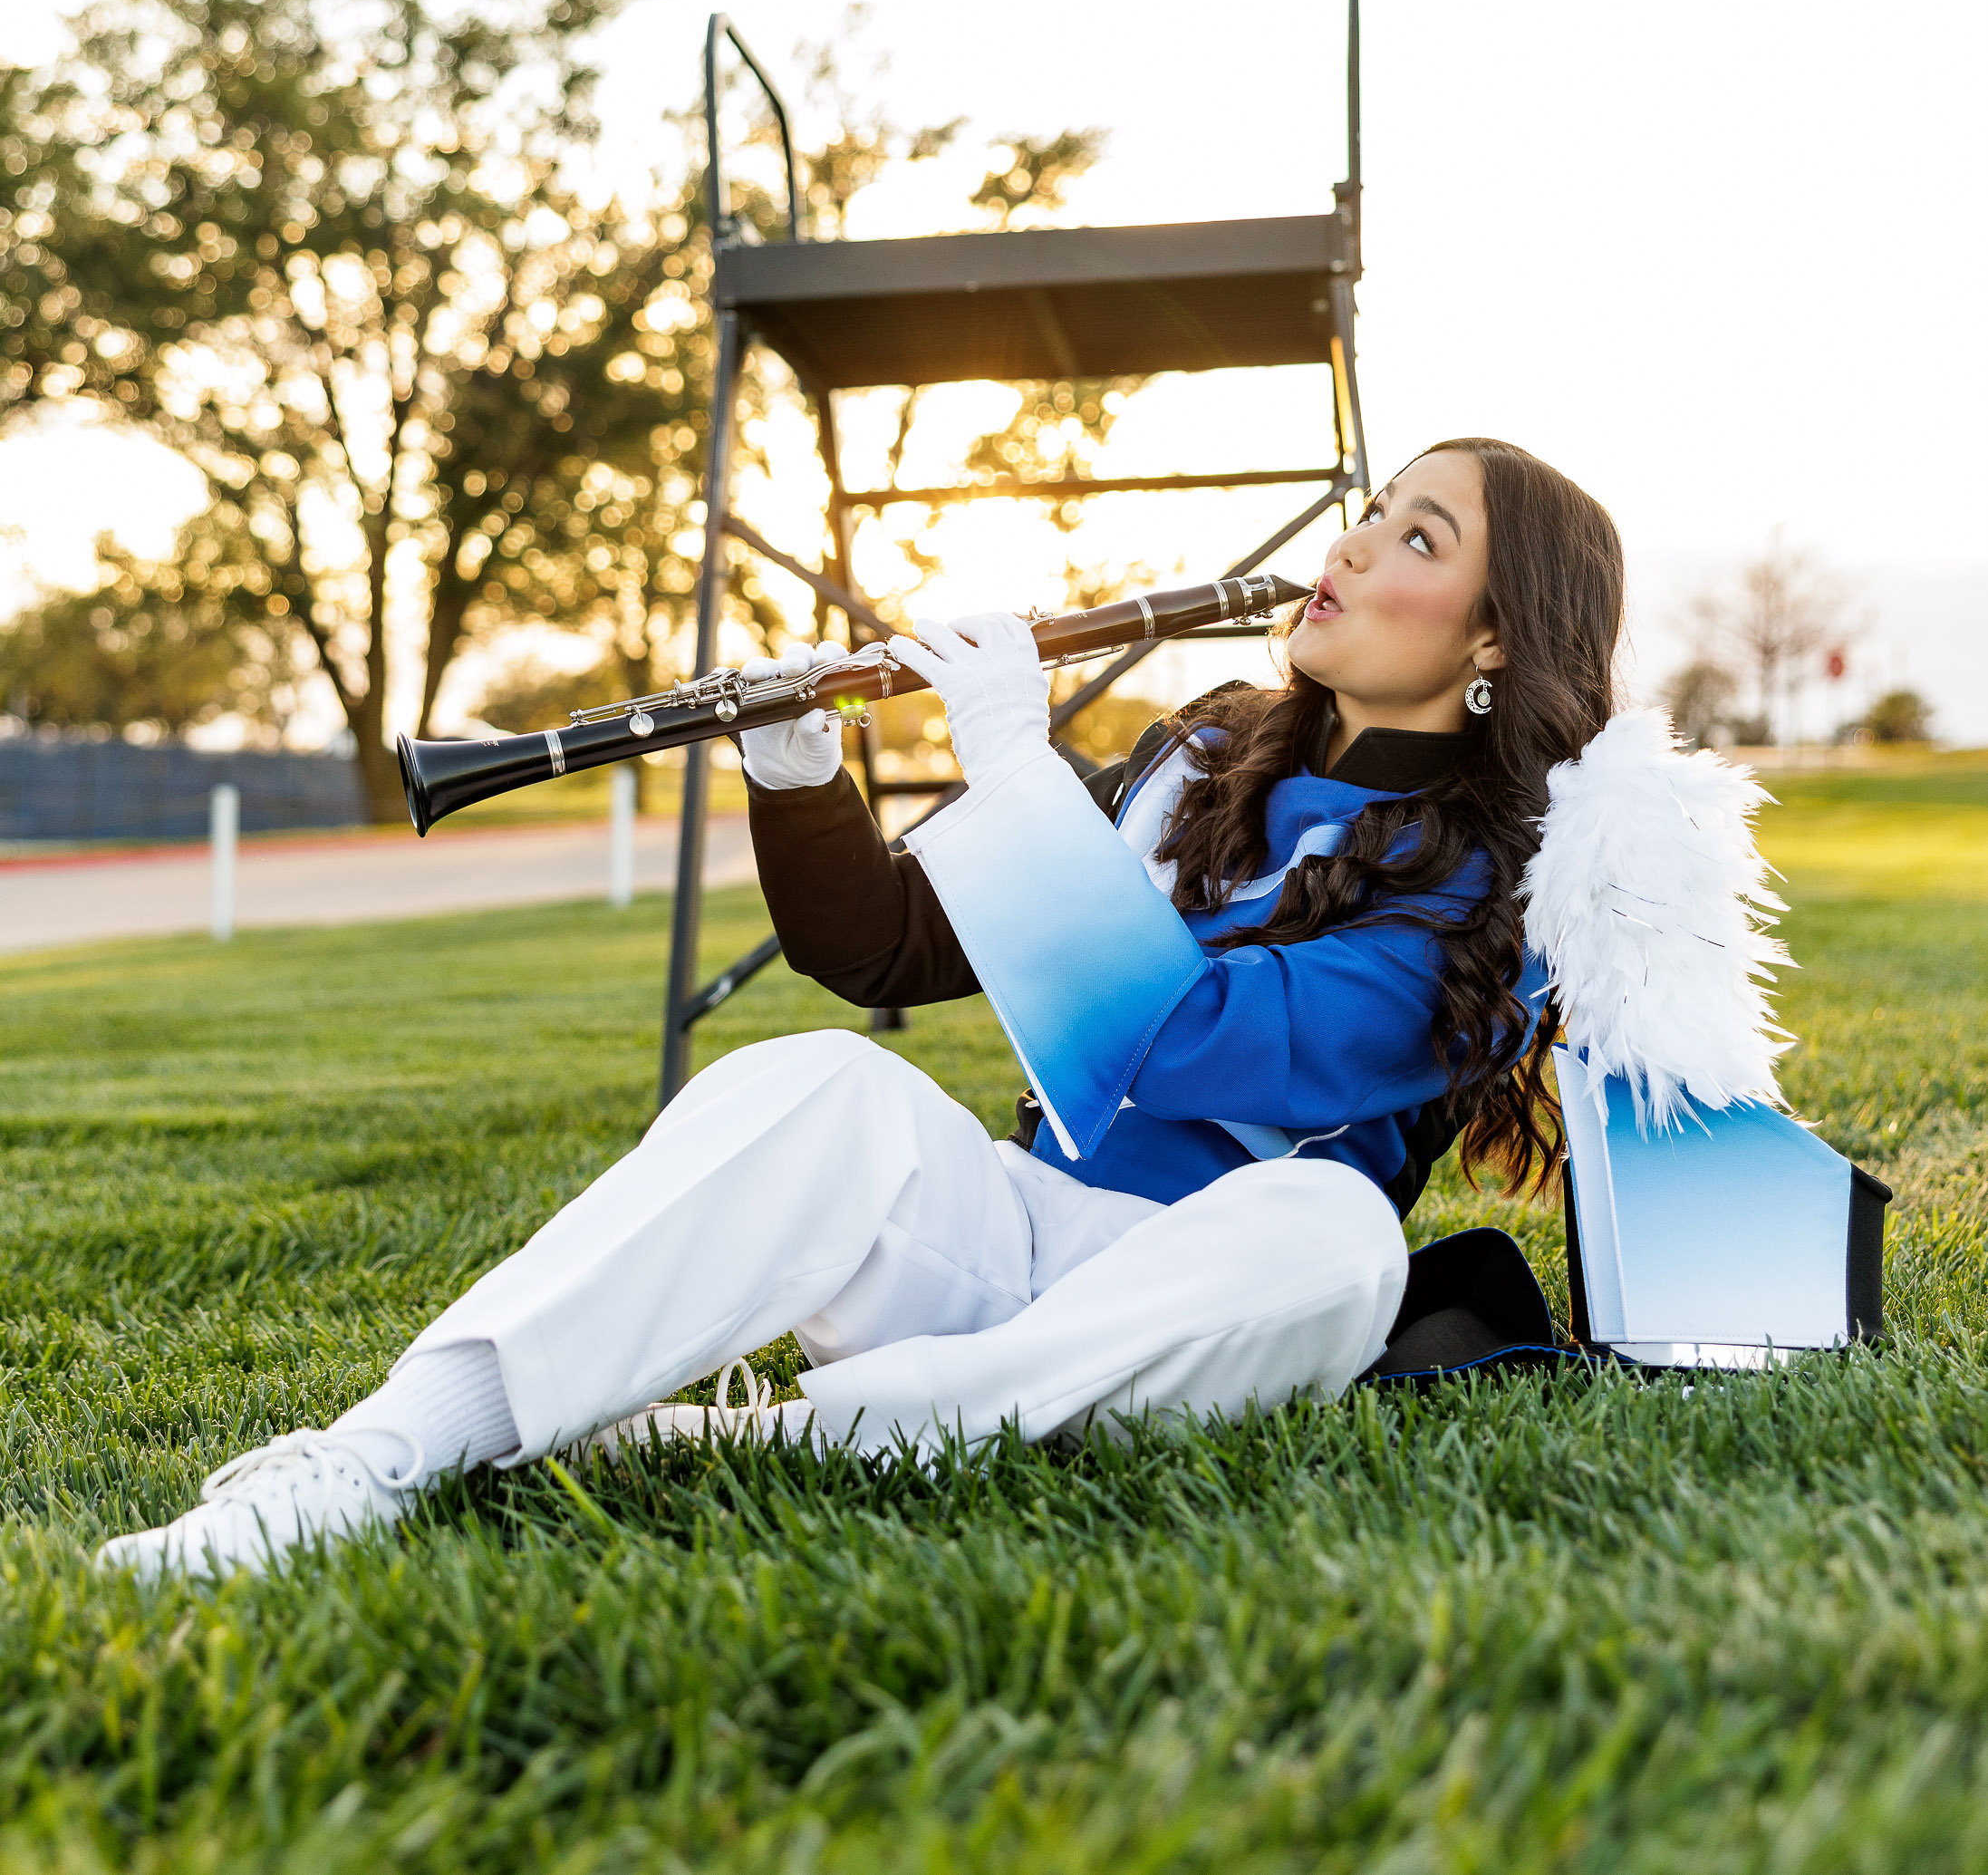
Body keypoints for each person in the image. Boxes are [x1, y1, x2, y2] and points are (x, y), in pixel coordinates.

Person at [100, 438, 1625, 1579]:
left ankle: (762, 1442)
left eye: (1414, 535)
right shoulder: (1199, 758)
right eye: (1372, 508)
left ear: (1493, 638)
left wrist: (1014, 764)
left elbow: (1179, 1037)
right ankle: (372, 1456)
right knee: (827, 1076)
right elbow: (886, 948)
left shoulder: (1507, 885)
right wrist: (796, 769)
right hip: (1012, 1239)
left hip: (1200, 1304)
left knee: (1339, 1232)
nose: (1352, 544)